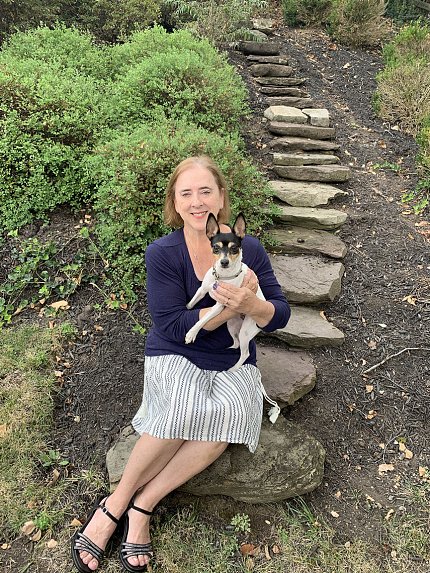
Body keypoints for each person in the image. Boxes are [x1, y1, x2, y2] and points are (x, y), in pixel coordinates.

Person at [71, 155, 290, 573]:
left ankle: (143, 505)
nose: (196, 201)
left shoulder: (250, 248)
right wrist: (227, 311)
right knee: (183, 408)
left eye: (205, 191)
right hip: (177, 350)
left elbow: (279, 314)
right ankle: (114, 505)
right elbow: (171, 325)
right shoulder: (163, 253)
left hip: (230, 358)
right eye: (186, 193)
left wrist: (253, 305)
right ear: (175, 201)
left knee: (225, 423)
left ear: (221, 198)